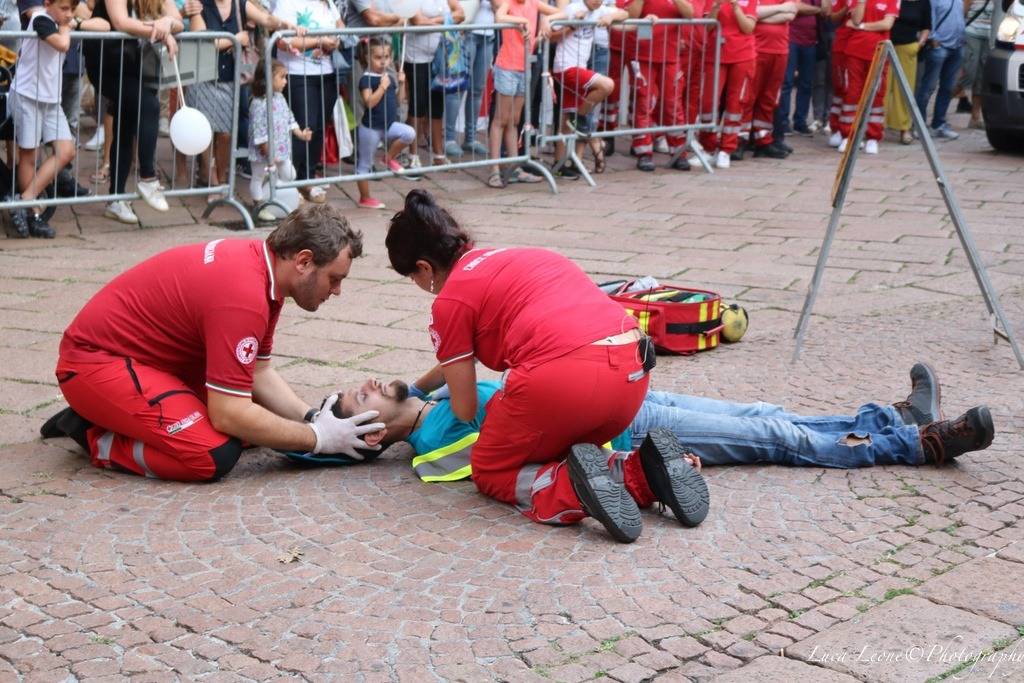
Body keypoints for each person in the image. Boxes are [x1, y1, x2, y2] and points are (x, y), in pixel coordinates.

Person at [383, 189, 705, 544]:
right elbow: (458, 357)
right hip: (632, 374)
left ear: (424, 267)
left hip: (565, 381)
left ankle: (574, 491)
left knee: (492, 469)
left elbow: (465, 407)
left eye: (412, 277)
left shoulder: (450, 300)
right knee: (564, 449)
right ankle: (645, 470)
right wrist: (416, 388)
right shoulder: (517, 257)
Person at [40, 203, 385, 482]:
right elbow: (228, 413)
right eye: (334, 279)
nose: (337, 291)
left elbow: (258, 372)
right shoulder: (244, 295)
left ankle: (117, 412)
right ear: (304, 261)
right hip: (94, 364)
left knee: (260, 425)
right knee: (213, 453)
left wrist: (311, 417)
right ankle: (94, 434)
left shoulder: (265, 271)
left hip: (139, 363)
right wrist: (319, 439)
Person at [310, 362, 996, 478]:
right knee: (772, 438)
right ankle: (919, 443)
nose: (362, 385)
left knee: (763, 412)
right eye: (353, 403)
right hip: (624, 433)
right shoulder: (433, 437)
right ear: (371, 433)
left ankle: (889, 416)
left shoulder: (434, 398)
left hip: (625, 403)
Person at [187, 0, 303, 196]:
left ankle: (221, 177)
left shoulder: (239, 3)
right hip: (203, 76)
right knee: (205, 132)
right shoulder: (199, 5)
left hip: (230, 77)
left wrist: (286, 25)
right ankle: (211, 181)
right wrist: (234, 39)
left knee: (225, 133)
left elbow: (266, 18)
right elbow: (202, 40)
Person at [82, 0, 182, 224]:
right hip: (106, 62)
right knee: (150, 106)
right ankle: (148, 177)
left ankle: (116, 199)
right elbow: (120, 21)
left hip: (133, 64)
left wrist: (167, 22)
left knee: (125, 125)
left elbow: (179, 21)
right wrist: (162, 31)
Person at [8, 0, 78, 238]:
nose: (68, 14)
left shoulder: (59, 19)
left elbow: (101, 25)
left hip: (50, 99)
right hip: (28, 96)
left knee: (66, 150)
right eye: (64, 9)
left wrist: (75, 20)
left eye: (71, 9)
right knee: (29, 155)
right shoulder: (41, 19)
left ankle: (24, 199)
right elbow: (61, 44)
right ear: (48, 4)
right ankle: (32, 214)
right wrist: (68, 27)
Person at [486, 0, 564, 188]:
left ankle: (514, 167)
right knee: (500, 119)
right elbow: (499, 16)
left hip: (524, 67)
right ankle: (494, 170)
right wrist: (520, 20)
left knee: (514, 120)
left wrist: (547, 20)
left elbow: (563, 12)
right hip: (507, 66)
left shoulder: (534, 3)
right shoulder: (508, 3)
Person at [274, 0, 345, 204]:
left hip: (326, 72)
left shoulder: (329, 4)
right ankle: (290, 183)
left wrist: (335, 41)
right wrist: (319, 41)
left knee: (319, 129)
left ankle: (308, 178)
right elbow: (282, 40)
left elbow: (339, 28)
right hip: (298, 73)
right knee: (302, 128)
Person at [549, 0, 625, 177]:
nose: (597, 1)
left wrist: (611, 16)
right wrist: (572, 25)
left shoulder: (599, 10)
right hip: (566, 67)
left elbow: (625, 14)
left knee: (566, 119)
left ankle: (558, 164)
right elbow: (551, 31)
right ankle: (580, 116)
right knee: (607, 85)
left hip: (578, 67)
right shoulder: (573, 9)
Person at [354, 36, 415, 209]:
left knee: (409, 133)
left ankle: (388, 158)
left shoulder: (389, 76)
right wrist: (381, 87)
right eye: (378, 57)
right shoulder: (366, 79)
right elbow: (369, 102)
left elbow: (398, 101)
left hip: (388, 125)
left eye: (386, 57)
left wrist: (401, 84)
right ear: (368, 57)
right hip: (371, 128)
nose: (383, 61)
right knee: (364, 165)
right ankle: (364, 198)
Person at [403, 0, 464, 170]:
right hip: (416, 56)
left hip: (439, 56)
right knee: (417, 105)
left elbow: (461, 14)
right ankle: (412, 155)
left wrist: (435, 21)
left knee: (437, 106)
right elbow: (417, 21)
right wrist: (445, 20)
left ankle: (439, 154)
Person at [697, 0, 758, 169]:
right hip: (715, 54)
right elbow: (708, 27)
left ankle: (726, 149)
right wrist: (716, 6)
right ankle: (708, 147)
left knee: (736, 103)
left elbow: (748, 28)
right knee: (709, 102)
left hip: (742, 55)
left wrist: (736, 7)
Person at [248, 59, 311, 217]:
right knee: (258, 176)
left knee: (289, 174)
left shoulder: (280, 98)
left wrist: (300, 133)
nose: (285, 81)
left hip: (281, 150)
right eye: (282, 77)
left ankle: (278, 194)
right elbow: (260, 131)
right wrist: (267, 151)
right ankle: (260, 205)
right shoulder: (259, 103)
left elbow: (289, 118)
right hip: (264, 152)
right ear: (268, 78)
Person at [836, 0, 898, 154]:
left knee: (876, 94)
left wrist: (862, 26)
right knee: (852, 93)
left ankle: (873, 137)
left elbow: (886, 24)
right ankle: (848, 136)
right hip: (855, 51)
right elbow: (855, 19)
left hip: (879, 51)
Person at [443, 0, 494, 159]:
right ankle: (449, 139)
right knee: (457, 87)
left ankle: (470, 138)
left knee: (477, 89)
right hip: (467, 32)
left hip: (489, 33)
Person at [749, 0, 797, 159]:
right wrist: (780, 9)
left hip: (779, 51)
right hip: (756, 49)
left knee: (770, 99)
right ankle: (739, 141)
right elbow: (749, 14)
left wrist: (762, 15)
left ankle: (763, 140)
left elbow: (791, 14)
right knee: (748, 98)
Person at [914, 0, 965, 140]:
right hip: (939, 46)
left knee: (948, 88)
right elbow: (928, 20)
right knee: (927, 88)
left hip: (957, 46)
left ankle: (939, 125)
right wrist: (933, 40)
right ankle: (919, 126)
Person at [884, 0, 930, 144]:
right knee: (882, 88)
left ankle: (904, 129)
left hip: (908, 48)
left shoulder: (923, 3)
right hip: (886, 45)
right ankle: (875, 126)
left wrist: (920, 44)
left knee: (904, 89)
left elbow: (926, 27)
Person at [957, 0, 991, 129]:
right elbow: (962, 12)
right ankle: (940, 109)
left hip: (990, 36)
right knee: (968, 75)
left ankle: (975, 117)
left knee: (982, 78)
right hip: (972, 33)